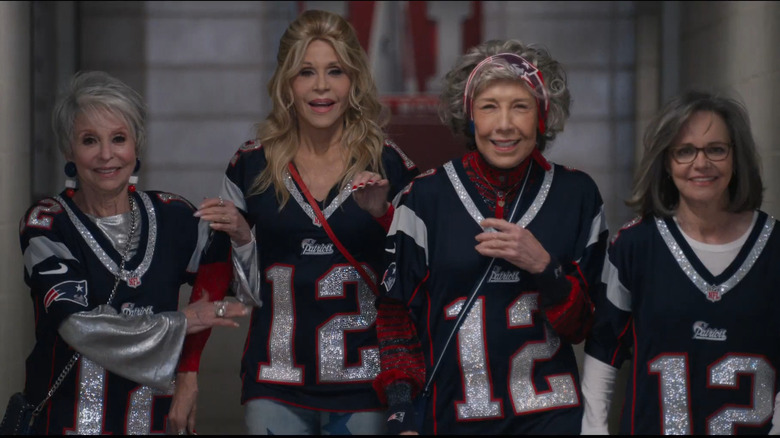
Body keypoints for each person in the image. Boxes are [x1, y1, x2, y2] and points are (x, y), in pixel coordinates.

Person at [167, 9, 419, 435]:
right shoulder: (250, 165)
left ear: (354, 80)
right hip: (275, 385)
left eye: (334, 71)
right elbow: (213, 275)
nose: (321, 86)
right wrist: (187, 374)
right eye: (306, 72)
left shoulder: (390, 164)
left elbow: (418, 278)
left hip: (366, 389)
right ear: (286, 83)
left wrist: (383, 215)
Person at [373, 39, 609, 435]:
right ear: (468, 117)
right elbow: (397, 317)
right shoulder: (424, 197)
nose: (504, 124)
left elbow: (583, 327)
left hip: (551, 419)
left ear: (542, 115)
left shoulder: (577, 195)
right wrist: (403, 414)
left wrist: (544, 267)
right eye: (488, 107)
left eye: (520, 106)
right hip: (452, 417)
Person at [16, 71, 247, 435]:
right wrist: (182, 321)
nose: (107, 155)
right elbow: (78, 326)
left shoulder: (174, 217)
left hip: (154, 425)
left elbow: (246, 288)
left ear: (136, 145)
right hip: (65, 425)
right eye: (89, 140)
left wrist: (243, 236)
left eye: (119, 138)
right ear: (68, 150)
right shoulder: (47, 223)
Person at [581, 91, 780, 434]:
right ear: (666, 161)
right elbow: (604, 348)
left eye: (716, 149)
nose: (700, 164)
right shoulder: (635, 246)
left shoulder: (775, 246)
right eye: (685, 151)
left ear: (736, 158)